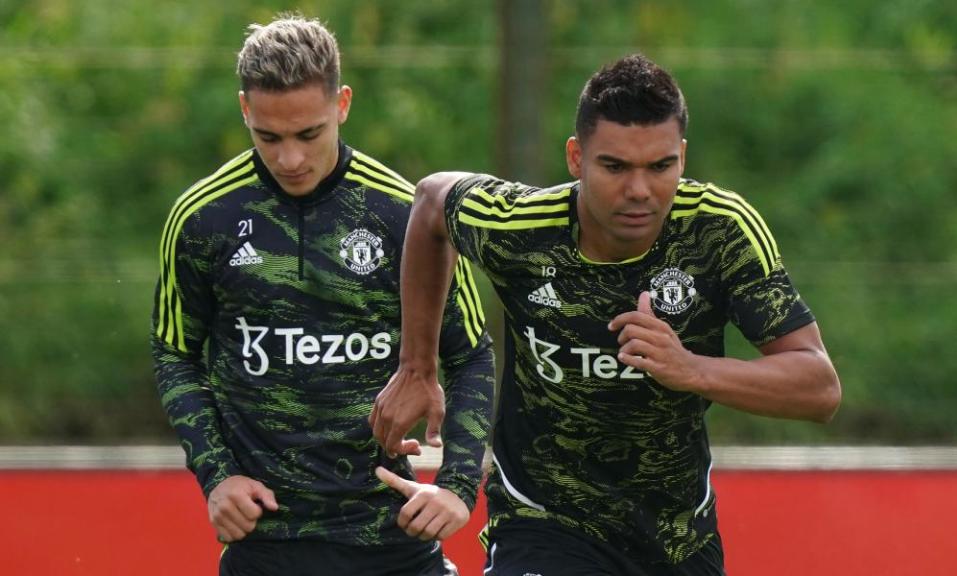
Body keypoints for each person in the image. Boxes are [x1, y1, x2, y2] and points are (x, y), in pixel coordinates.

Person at [369, 53, 842, 575]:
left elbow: (819, 388)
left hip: (677, 537)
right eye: (615, 166)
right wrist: (417, 366)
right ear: (576, 158)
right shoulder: (521, 229)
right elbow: (432, 200)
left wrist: (692, 370)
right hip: (543, 523)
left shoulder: (719, 232)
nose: (639, 190)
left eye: (660, 166)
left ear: (682, 157)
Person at [151, 14, 495, 576]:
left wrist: (457, 485)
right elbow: (174, 352)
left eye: (308, 134)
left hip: (393, 542)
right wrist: (216, 475)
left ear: (343, 105)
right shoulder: (202, 218)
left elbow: (472, 352)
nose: (290, 159)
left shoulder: (404, 215)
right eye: (269, 137)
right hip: (265, 543)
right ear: (245, 110)